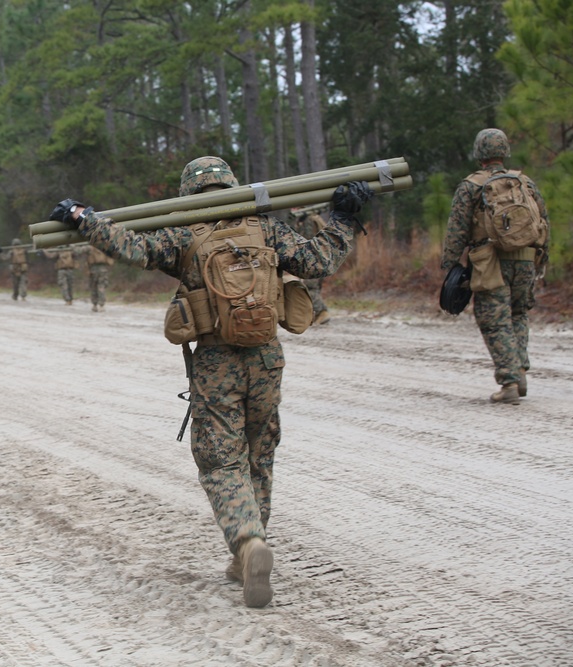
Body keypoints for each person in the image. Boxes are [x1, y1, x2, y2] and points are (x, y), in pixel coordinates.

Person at [49, 156, 373, 608]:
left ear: (188, 193)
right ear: (231, 184)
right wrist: (344, 217)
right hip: (266, 358)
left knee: (222, 461)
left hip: (216, 361)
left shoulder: (184, 234)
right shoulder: (266, 229)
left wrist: (84, 217)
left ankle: (247, 542)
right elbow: (320, 260)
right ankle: (246, 556)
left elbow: (131, 248)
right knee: (260, 453)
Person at [442, 128, 549, 405]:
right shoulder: (525, 182)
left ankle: (509, 381)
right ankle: (520, 370)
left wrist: (451, 265)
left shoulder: (471, 186)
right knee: (518, 313)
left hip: (490, 261)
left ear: (479, 155)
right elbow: (543, 221)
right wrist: (541, 258)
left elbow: (457, 229)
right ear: (505, 152)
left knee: (493, 319)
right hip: (526, 258)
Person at [287, 208, 331, 324]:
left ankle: (322, 312)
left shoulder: (309, 220)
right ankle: (316, 314)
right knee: (314, 288)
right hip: (319, 259)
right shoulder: (312, 218)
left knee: (310, 288)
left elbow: (306, 241)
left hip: (314, 260)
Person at [86, 245, 115, 312]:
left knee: (94, 287)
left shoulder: (90, 248)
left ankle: (95, 305)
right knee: (101, 287)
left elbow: (79, 251)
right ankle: (101, 305)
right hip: (103, 269)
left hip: (94, 269)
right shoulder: (105, 247)